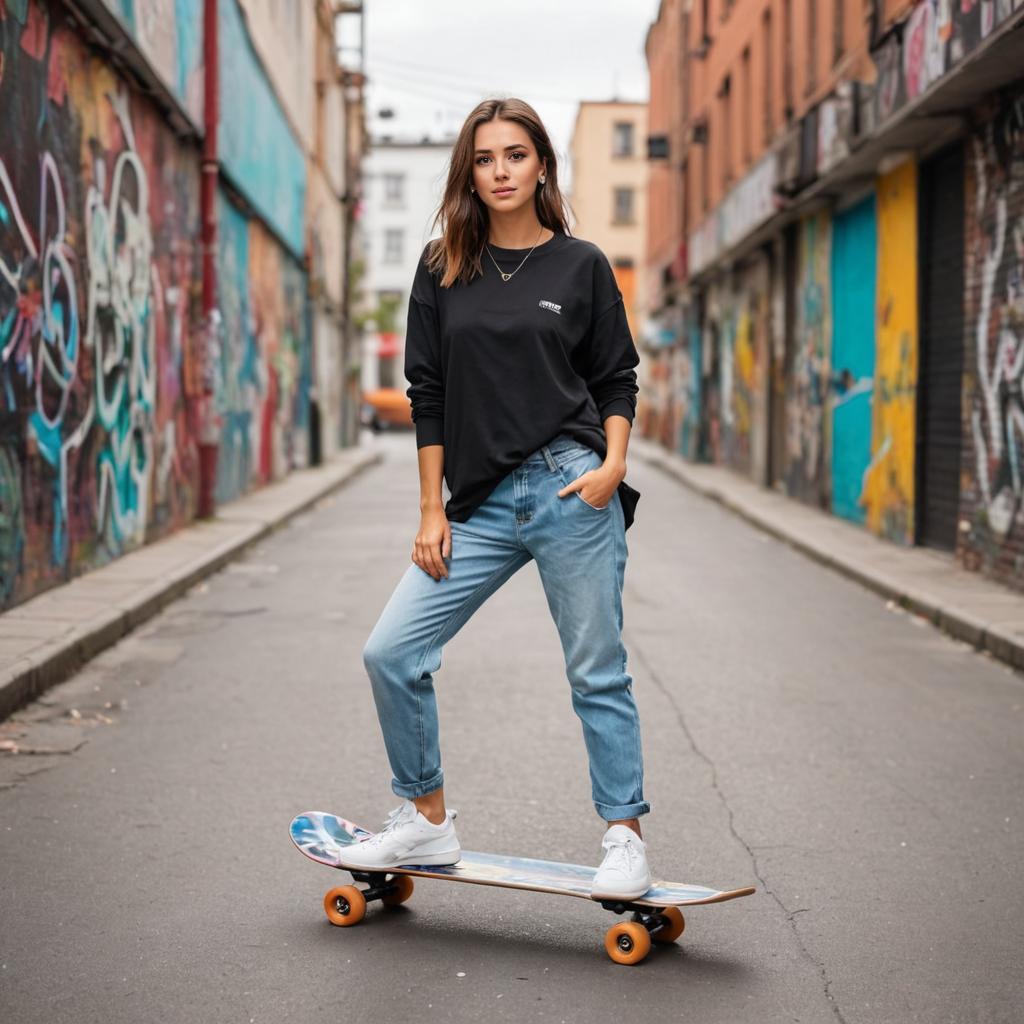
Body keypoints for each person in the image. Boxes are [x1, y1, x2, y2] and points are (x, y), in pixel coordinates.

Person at [348, 97, 651, 900]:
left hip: (569, 485)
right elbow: (429, 392)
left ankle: (624, 836)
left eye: (515, 155)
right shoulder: (442, 265)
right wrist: (430, 510)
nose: (501, 171)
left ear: (541, 164)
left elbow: (616, 375)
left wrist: (612, 465)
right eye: (485, 159)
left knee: (597, 670)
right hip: (478, 501)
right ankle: (427, 821)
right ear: (469, 173)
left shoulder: (581, 265)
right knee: (392, 651)